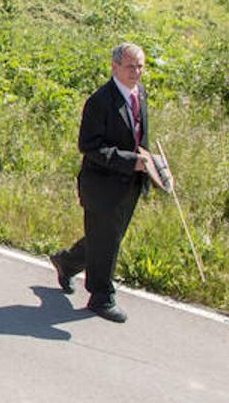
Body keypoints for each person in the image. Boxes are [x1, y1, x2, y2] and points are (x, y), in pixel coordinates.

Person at [50, 43, 154, 324]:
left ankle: (67, 262)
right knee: (106, 239)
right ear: (115, 67)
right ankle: (101, 297)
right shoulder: (100, 101)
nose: (137, 72)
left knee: (108, 237)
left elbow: (140, 136)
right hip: (102, 185)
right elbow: (89, 146)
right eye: (131, 66)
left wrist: (151, 165)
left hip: (130, 184)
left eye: (141, 66)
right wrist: (129, 160)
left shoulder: (139, 93)